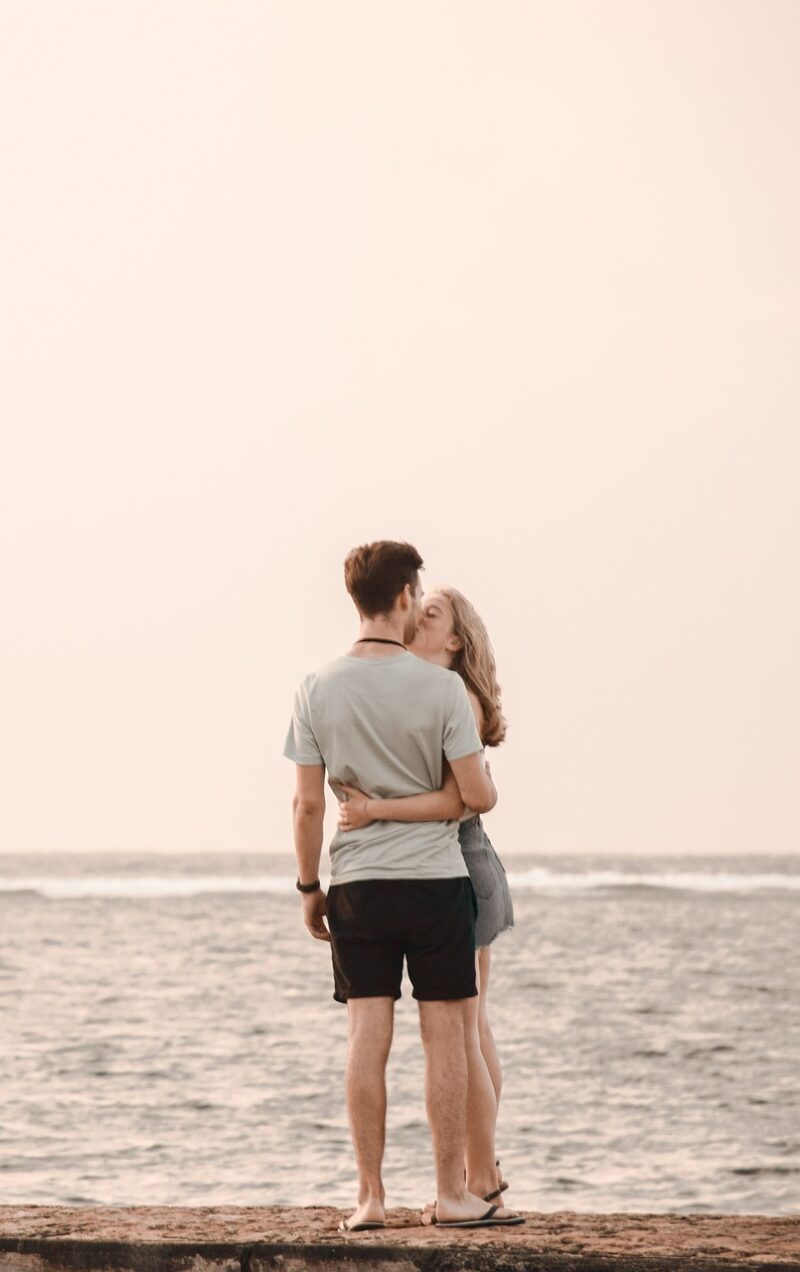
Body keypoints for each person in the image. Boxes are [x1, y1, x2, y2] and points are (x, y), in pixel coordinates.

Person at [284, 541, 523, 1231]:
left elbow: (305, 807)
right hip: (434, 881)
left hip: (355, 881)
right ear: (402, 597)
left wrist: (309, 888)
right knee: (449, 1036)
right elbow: (476, 794)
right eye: (418, 596)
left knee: (366, 1035)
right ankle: (455, 1194)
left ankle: (370, 1199)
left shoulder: (315, 686)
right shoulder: (444, 689)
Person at [336, 586, 514, 1214]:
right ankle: (479, 1177)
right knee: (471, 1029)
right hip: (443, 864)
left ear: (456, 639)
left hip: (460, 860)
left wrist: (371, 808)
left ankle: (482, 1178)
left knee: (466, 1034)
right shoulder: (420, 688)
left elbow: (468, 798)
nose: (416, 618)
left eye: (431, 614)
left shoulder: (453, 693)